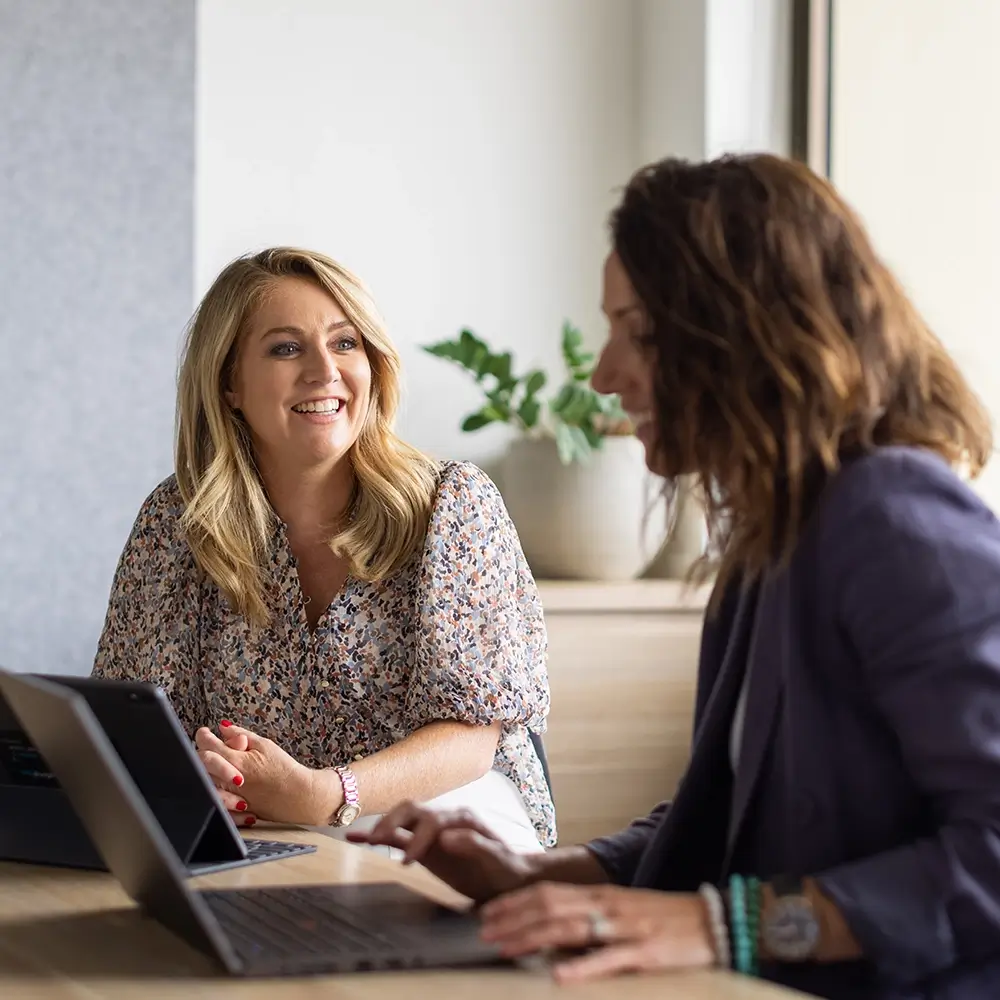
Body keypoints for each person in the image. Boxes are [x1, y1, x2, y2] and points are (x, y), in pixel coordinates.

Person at [350, 154, 1000, 998]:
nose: (604, 374)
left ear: (750, 335)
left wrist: (716, 924)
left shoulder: (891, 517)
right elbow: (726, 822)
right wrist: (544, 873)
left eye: (641, 333)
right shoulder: (771, 543)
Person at [92, 247, 554, 853]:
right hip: (270, 834)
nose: (324, 371)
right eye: (286, 348)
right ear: (230, 382)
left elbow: (471, 737)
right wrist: (211, 776)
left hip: (446, 814)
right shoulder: (178, 521)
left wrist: (322, 794)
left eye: (345, 343)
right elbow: (133, 724)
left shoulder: (452, 505)